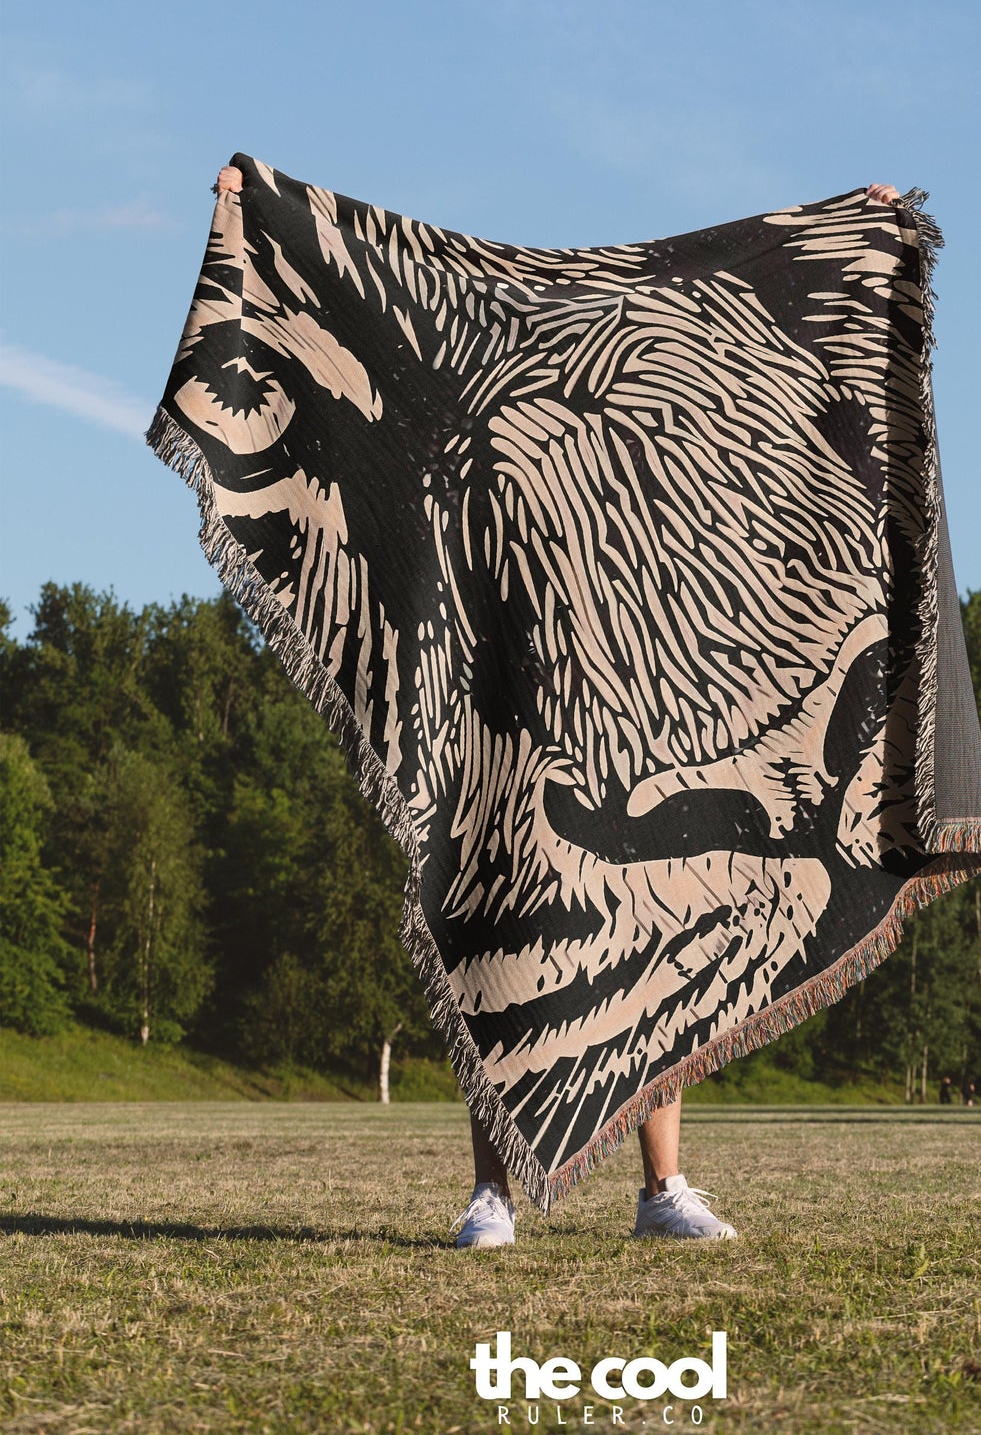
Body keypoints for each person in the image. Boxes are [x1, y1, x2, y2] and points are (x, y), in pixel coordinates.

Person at [213, 166, 903, 1247]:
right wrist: (259, 205)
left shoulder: (635, 462)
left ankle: (661, 1189)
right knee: (496, 941)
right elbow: (377, 377)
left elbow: (737, 358)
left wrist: (857, 226)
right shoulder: (480, 435)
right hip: (494, 728)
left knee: (653, 923)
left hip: (622, 719)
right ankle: (493, 1192)